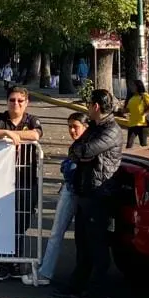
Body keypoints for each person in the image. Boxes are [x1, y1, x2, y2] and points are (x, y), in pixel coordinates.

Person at [55, 89, 123, 298]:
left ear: (95, 106)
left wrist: (81, 153)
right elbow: (75, 149)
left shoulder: (111, 130)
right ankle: (77, 285)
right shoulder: (95, 127)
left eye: (88, 104)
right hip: (86, 189)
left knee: (97, 244)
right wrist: (80, 152)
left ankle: (98, 290)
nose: (86, 108)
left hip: (100, 192)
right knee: (82, 242)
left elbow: (85, 151)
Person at [0, 86, 43, 282]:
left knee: (20, 223)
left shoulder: (30, 120)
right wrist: (6, 133)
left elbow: (36, 135)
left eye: (20, 101)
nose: (16, 104)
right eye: (12, 100)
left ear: (26, 103)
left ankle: (16, 262)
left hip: (26, 180)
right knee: (1, 221)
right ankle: (2, 265)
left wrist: (17, 136)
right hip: (0, 182)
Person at [32, 112, 86, 287]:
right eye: (69, 126)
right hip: (70, 189)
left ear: (86, 127)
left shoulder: (89, 145)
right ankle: (45, 272)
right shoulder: (77, 145)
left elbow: (71, 169)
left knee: (83, 237)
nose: (72, 130)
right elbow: (67, 168)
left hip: (83, 193)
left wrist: (68, 168)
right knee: (56, 232)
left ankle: (81, 275)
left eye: (75, 127)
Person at [125, 80, 149, 148]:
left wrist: (144, 114)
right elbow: (128, 109)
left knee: (143, 144)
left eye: (133, 86)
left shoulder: (144, 95)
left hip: (143, 124)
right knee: (129, 145)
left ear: (138, 86)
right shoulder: (132, 97)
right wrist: (121, 111)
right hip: (132, 124)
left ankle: (144, 157)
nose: (131, 87)